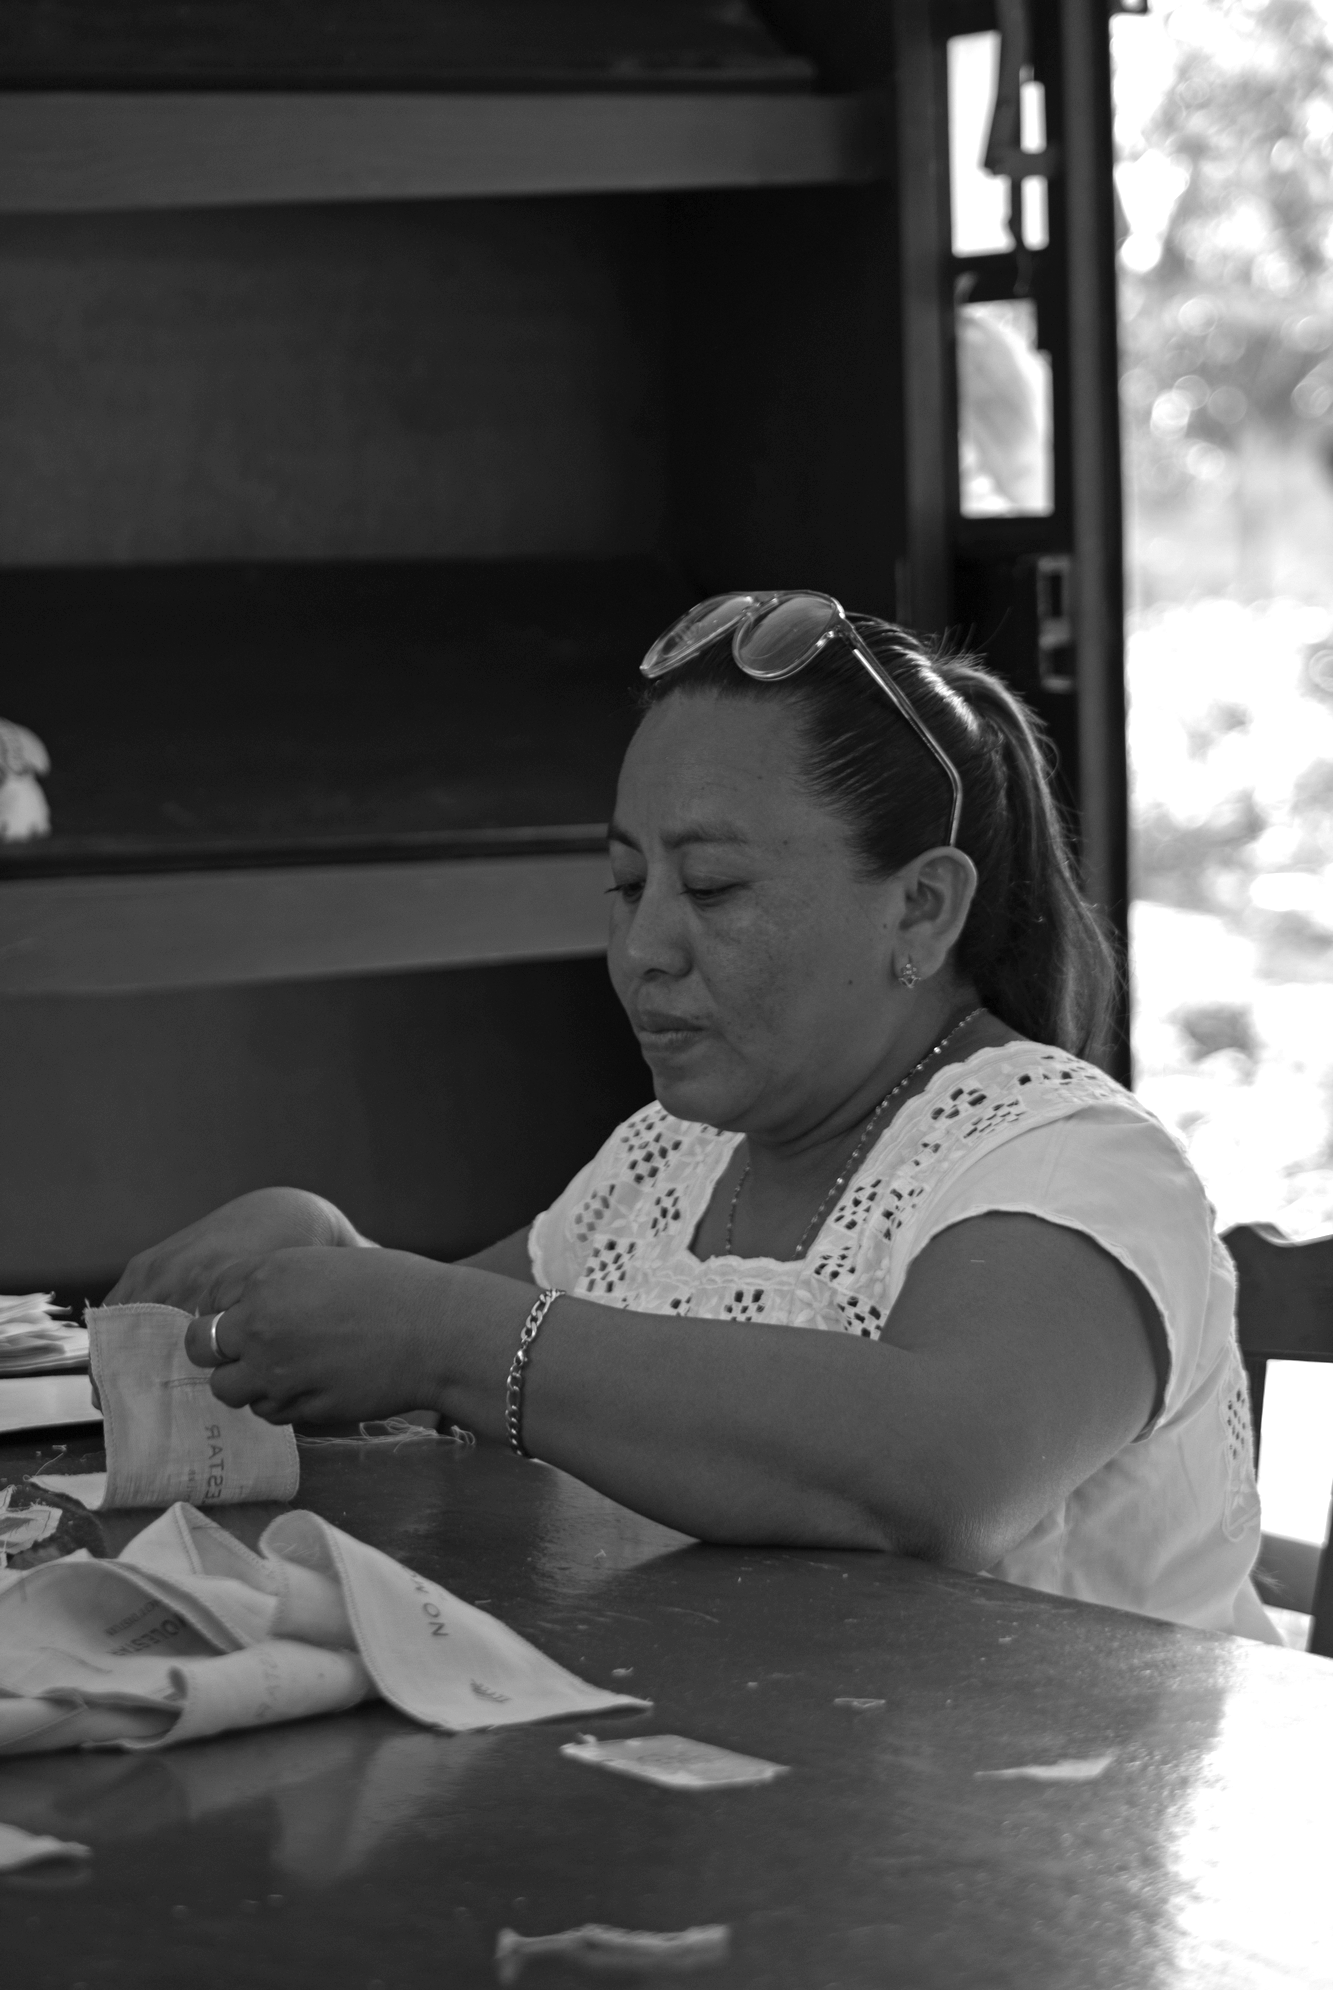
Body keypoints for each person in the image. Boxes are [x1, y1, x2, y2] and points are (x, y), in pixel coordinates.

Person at [109, 591, 1276, 1642]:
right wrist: (326, 1251)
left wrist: (442, 1333)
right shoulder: (675, 1158)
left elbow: (943, 1473)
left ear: (920, 907)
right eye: (628, 884)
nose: (644, 948)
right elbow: (434, 1355)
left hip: (1088, 1802)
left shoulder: (1068, 1159)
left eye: (711, 887)